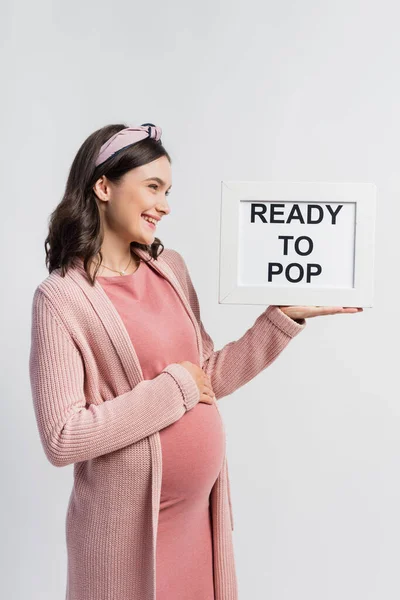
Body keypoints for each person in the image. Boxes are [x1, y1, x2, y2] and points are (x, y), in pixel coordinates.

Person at [28, 123, 363, 600]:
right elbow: (64, 437)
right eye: (152, 187)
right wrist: (174, 389)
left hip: (197, 522)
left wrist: (280, 319)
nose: (165, 204)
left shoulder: (171, 269)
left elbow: (207, 375)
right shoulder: (61, 299)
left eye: (167, 190)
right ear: (103, 187)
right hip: (125, 539)